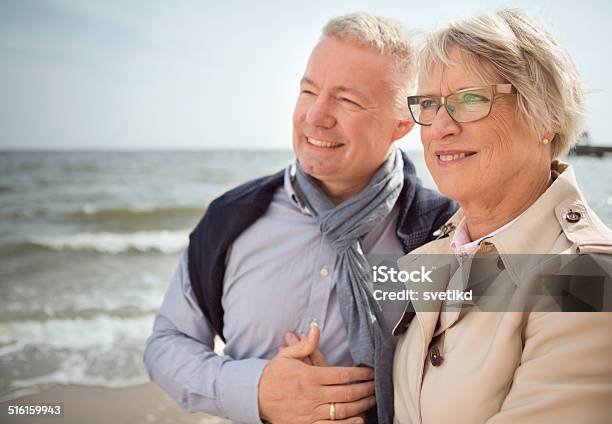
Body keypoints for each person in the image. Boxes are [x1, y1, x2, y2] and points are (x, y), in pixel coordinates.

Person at [144, 12, 457, 424]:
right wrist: (255, 391)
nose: (316, 116)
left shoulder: (446, 233)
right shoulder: (230, 219)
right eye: (308, 92)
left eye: (347, 100)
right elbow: (166, 344)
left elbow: (499, 361)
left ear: (400, 125)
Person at [392, 9, 612, 424]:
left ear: (545, 115)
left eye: (470, 99)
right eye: (428, 103)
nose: (439, 126)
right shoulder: (438, 251)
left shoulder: (589, 276)